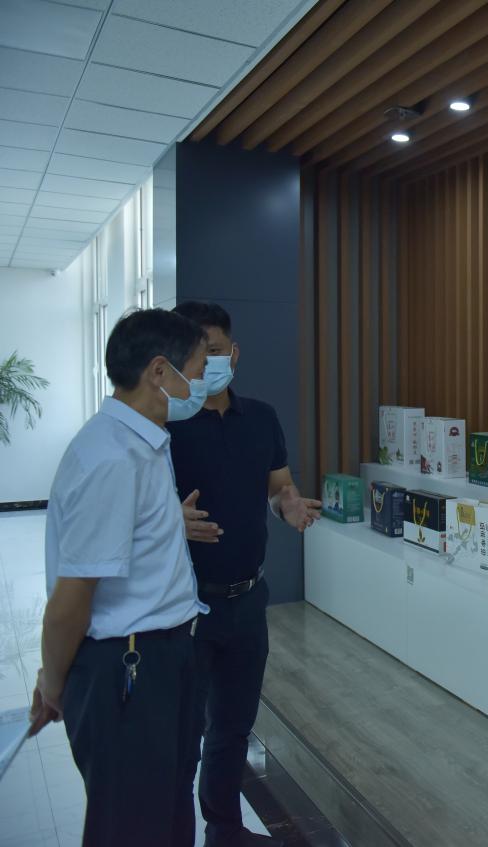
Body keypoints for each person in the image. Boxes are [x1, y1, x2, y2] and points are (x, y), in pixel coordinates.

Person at [30, 308, 211, 846]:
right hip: (129, 672)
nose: (201, 386)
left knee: (167, 813)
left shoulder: (142, 442)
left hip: (165, 658)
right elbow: (72, 598)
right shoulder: (111, 457)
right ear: (159, 371)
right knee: (131, 826)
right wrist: (53, 683)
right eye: (197, 372)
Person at [168, 301, 321, 847]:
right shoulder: (166, 425)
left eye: (214, 350)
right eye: (195, 353)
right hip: (186, 608)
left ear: (233, 354)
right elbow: (137, 507)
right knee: (182, 737)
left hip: (248, 600)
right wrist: (170, 518)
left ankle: (225, 831)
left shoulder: (261, 417)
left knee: (232, 729)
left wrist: (289, 505)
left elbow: (279, 486)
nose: (206, 362)